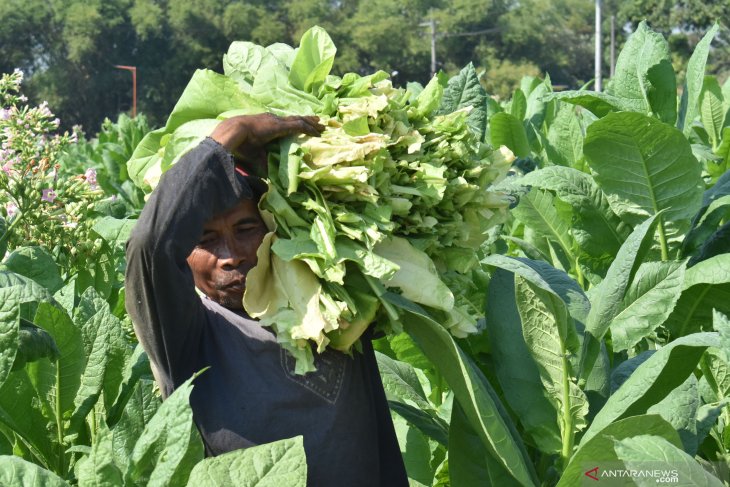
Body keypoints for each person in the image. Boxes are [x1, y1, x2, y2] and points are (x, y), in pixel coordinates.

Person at [125, 113, 409, 487]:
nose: (230, 254)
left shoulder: (330, 304)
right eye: (205, 240)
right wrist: (233, 133)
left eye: (246, 228)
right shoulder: (184, 331)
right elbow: (150, 246)